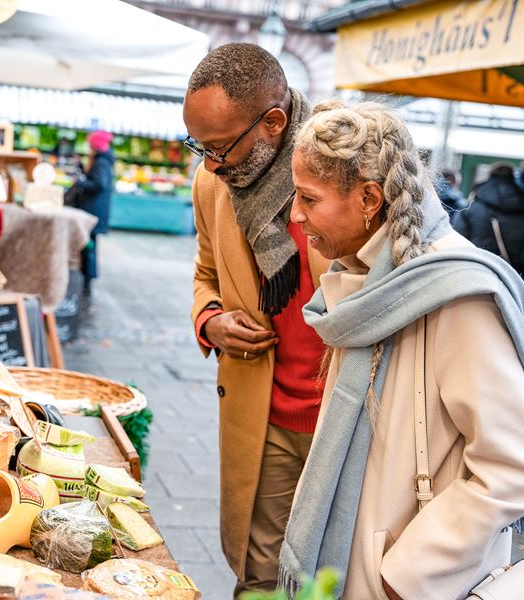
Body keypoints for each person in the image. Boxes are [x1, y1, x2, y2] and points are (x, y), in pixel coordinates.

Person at [279, 100, 524, 599]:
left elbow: (518, 467)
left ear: (368, 198)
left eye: (308, 198)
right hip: (357, 564)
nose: (295, 214)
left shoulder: (457, 297)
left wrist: (406, 575)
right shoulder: (365, 277)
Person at [183, 43, 331, 595]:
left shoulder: (346, 169)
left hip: (349, 416)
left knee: (342, 572)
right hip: (264, 414)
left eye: (220, 147)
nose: (212, 162)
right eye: (200, 146)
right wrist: (211, 320)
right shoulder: (210, 183)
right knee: (259, 574)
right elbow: (204, 273)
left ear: (274, 122)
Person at [453, 156, 524, 295]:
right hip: (514, 274)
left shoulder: (472, 206)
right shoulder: (522, 207)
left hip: (477, 272)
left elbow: (459, 236)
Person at [71, 130, 115, 293]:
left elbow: (98, 184)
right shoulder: (103, 160)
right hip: (95, 210)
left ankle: (88, 277)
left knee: (89, 245)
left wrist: (80, 183)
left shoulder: (101, 162)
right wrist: (82, 168)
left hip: (93, 211)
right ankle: (88, 275)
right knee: (89, 244)